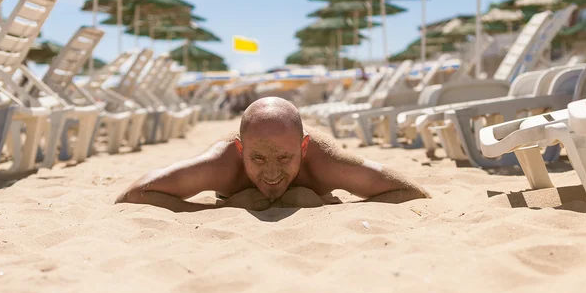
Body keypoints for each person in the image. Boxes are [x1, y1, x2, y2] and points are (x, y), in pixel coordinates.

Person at [116, 97, 430, 212]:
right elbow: (133, 195)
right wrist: (213, 212)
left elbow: (411, 191)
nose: (270, 173)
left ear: (303, 148)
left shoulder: (325, 162)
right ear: (240, 149)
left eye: (284, 158)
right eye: (257, 159)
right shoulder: (222, 164)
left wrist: (326, 208)